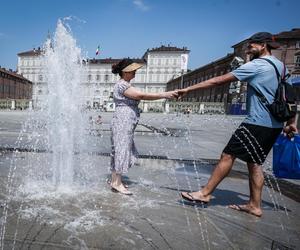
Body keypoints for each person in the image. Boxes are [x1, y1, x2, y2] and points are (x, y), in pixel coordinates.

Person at [179, 32, 298, 217]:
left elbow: (219, 80)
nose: (248, 50)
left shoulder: (256, 66)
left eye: (251, 47)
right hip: (274, 126)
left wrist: (187, 89)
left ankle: (205, 193)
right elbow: (291, 96)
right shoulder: (281, 67)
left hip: (257, 123)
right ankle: (255, 205)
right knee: (255, 163)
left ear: (263, 46)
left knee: (227, 155)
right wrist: (291, 122)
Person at [110, 58, 178, 195]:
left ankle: (115, 180)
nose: (135, 72)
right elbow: (140, 95)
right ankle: (116, 183)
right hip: (123, 120)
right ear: (125, 72)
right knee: (121, 148)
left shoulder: (125, 84)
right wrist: (163, 94)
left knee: (120, 148)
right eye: (132, 70)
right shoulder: (123, 85)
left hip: (125, 119)